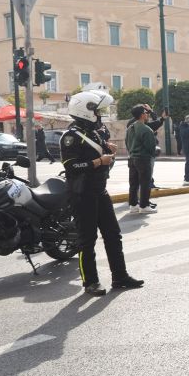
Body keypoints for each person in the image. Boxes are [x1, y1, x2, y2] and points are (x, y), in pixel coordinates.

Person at [60, 90, 143, 295]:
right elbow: (71, 166)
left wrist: (107, 149)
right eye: (97, 111)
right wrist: (98, 161)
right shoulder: (71, 137)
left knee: (113, 235)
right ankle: (90, 282)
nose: (100, 115)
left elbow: (101, 153)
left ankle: (120, 276)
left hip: (100, 190)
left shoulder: (95, 132)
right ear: (85, 111)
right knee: (86, 240)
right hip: (82, 194)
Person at [125, 104, 158, 214]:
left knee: (133, 183)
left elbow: (127, 143)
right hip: (143, 159)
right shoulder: (146, 129)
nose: (147, 115)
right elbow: (150, 147)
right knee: (145, 183)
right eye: (146, 113)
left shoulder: (130, 128)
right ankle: (144, 206)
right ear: (142, 115)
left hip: (132, 158)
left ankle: (133, 205)